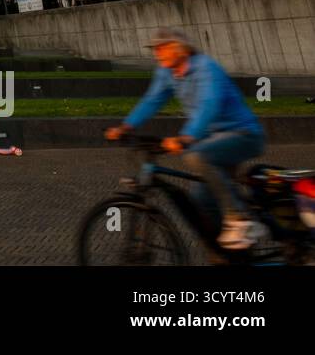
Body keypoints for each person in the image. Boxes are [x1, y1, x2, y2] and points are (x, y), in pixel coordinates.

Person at [105, 29, 266, 250]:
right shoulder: (166, 73)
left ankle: (239, 219)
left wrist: (186, 137)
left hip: (243, 135)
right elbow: (152, 100)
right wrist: (126, 126)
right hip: (213, 141)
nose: (157, 54)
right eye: (155, 49)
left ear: (179, 48)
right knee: (201, 200)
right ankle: (233, 252)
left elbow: (209, 106)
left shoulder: (205, 68)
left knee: (196, 155)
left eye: (162, 48)